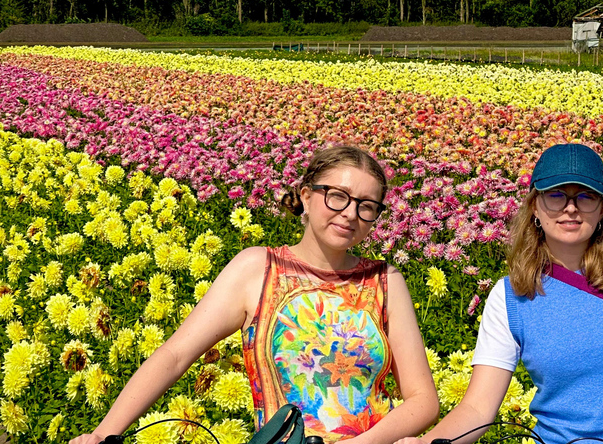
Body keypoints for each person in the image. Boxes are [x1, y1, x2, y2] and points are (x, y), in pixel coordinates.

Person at [71, 145, 439, 444]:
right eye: (338, 197)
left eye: (366, 206)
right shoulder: (257, 268)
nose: (350, 214)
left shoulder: (386, 280)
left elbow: (423, 401)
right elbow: (175, 354)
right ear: (307, 197)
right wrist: (105, 432)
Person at [395, 143, 603, 444]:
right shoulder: (510, 297)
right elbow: (477, 407)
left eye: (585, 197)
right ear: (535, 207)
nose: (570, 208)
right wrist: (428, 442)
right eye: (556, 195)